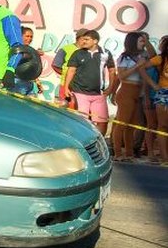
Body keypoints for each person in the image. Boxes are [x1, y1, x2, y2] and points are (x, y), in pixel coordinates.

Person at [111, 32, 158, 161]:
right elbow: (121, 76)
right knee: (122, 123)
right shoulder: (124, 57)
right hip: (127, 90)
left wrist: (146, 41)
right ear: (133, 42)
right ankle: (118, 153)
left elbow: (153, 55)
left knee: (132, 125)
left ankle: (129, 153)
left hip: (139, 92)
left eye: (143, 41)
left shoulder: (143, 55)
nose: (143, 44)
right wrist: (137, 66)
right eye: (140, 41)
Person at [62, 30, 116, 136]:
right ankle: (83, 142)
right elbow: (71, 70)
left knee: (102, 121)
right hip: (80, 92)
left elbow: (112, 70)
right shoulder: (78, 53)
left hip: (99, 94)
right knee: (82, 121)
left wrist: (110, 87)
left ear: (95, 41)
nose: (84, 42)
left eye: (87, 39)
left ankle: (100, 142)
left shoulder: (105, 53)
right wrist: (66, 87)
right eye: (83, 39)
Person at [53, 28, 91, 108]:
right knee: (66, 111)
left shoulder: (90, 52)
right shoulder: (66, 49)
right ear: (79, 38)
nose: (87, 41)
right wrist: (67, 75)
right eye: (85, 39)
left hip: (83, 88)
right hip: (67, 86)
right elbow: (55, 65)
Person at [146, 35, 168, 165]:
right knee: (162, 126)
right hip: (164, 93)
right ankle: (165, 158)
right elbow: (142, 68)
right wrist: (153, 85)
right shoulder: (161, 58)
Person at [11, 26, 44, 96]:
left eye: (31, 37)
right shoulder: (16, 48)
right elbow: (18, 58)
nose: (29, 39)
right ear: (21, 36)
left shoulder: (30, 49)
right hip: (17, 82)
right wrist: (34, 54)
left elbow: (31, 68)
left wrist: (37, 82)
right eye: (27, 36)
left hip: (29, 83)